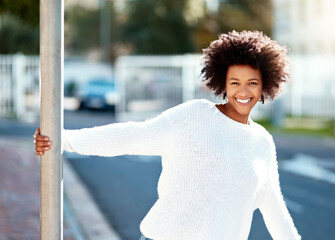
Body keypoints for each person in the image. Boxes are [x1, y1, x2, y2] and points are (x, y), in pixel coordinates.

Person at [34, 30, 301, 240]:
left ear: (266, 83)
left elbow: (274, 209)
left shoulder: (262, 141)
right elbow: (133, 136)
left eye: (252, 83)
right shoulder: (194, 116)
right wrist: (66, 139)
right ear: (222, 83)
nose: (243, 91)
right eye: (235, 82)